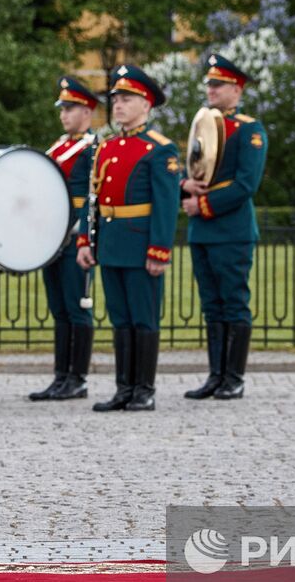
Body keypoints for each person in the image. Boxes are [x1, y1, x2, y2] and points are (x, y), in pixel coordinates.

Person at [77, 65, 181, 412]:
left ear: (146, 104)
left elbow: (166, 207)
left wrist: (159, 250)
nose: (118, 104)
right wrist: (85, 242)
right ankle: (124, 387)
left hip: (140, 245)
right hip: (111, 242)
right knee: (120, 319)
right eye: (116, 98)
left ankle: (143, 389)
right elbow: (91, 199)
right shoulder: (104, 147)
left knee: (143, 318)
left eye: (127, 98)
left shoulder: (159, 149)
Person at [180, 54, 268, 401]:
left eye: (218, 85)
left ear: (237, 88)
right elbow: (193, 170)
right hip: (202, 231)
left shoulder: (249, 129)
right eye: (209, 84)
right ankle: (215, 375)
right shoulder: (204, 124)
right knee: (211, 305)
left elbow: (246, 184)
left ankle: (234, 377)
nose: (211, 90)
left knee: (233, 303)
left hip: (231, 230)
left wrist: (201, 204)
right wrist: (185, 187)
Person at [29, 75, 98, 402]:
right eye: (63, 108)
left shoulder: (91, 148)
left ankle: (78, 378)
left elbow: (90, 197)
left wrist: (82, 236)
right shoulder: (60, 145)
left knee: (76, 308)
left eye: (71, 108)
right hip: (52, 239)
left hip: (74, 239)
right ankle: (61, 376)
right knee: (59, 309)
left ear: (87, 111)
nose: (64, 114)